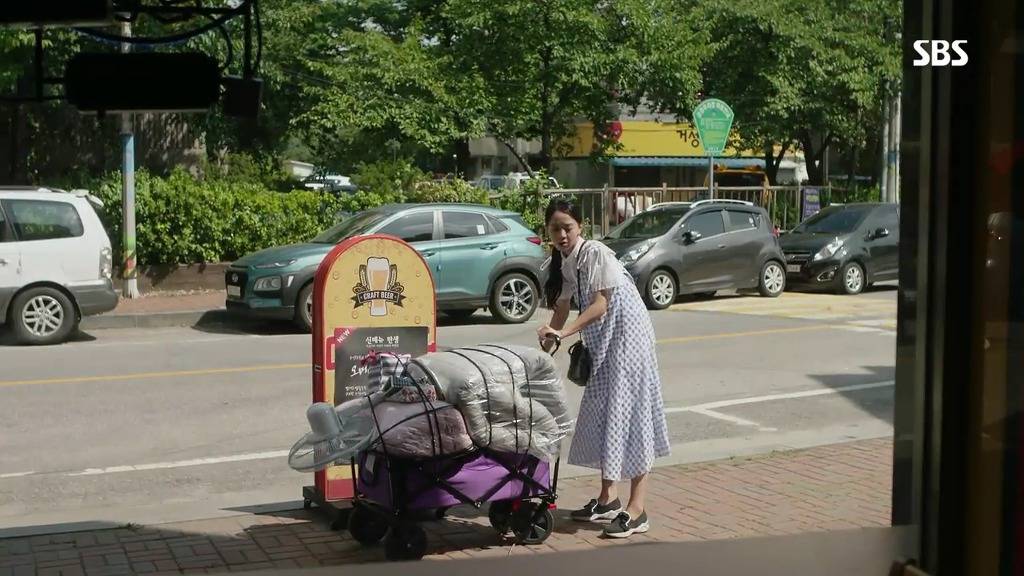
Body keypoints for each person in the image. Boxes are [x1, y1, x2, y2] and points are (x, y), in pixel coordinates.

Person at [537, 197, 671, 538]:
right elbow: (563, 306)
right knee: (604, 413)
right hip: (605, 345)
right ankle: (608, 498)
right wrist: (549, 342)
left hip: (629, 342)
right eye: (556, 229)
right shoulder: (567, 261)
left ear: (580, 226)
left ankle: (637, 509)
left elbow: (600, 304)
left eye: (567, 228)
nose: (562, 235)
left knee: (631, 417)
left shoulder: (595, 252)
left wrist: (563, 333)